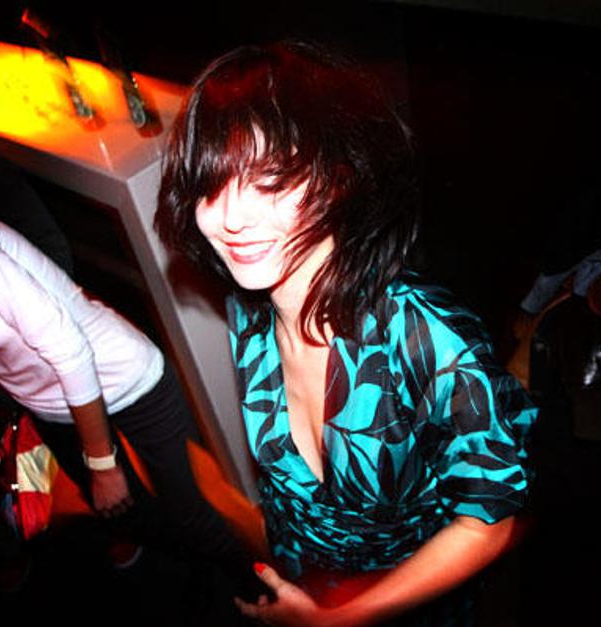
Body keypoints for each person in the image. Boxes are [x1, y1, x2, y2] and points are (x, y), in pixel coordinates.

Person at [156, 41, 537, 626]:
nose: (230, 219)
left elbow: (489, 524)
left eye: (270, 180)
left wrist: (342, 619)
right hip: (302, 578)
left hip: (405, 600)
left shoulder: (427, 340)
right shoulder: (248, 310)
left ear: (339, 179)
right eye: (211, 185)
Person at [0, 118, 245, 591]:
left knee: (198, 518)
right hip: (50, 405)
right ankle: (182, 571)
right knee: (122, 511)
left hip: (121, 375)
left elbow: (67, 346)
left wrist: (102, 463)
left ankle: (265, 594)